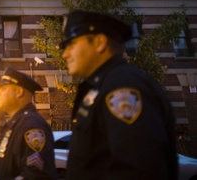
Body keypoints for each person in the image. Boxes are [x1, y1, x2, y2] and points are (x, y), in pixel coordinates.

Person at [60, 10, 178, 179]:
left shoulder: (123, 86)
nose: (65, 54)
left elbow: (137, 170)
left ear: (100, 42)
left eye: (71, 45)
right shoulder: (103, 85)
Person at [0, 67, 57, 180]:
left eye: (3, 89)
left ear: (19, 92)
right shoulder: (15, 124)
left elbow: (36, 175)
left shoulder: (32, 126)